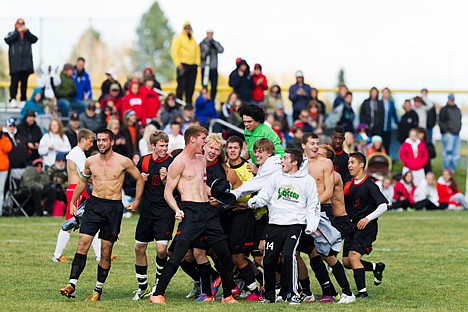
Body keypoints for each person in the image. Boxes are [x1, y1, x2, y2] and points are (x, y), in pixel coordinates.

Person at [150, 126, 237, 304]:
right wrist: (177, 210)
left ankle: (227, 295)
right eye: (203, 139)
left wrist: (218, 193)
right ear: (192, 140)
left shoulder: (201, 160)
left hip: (207, 210)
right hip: (190, 211)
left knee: (224, 253)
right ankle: (157, 294)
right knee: (177, 255)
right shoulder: (178, 162)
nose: (205, 142)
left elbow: (200, 185)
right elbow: (168, 192)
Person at [59, 129, 144, 301]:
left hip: (113, 208)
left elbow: (140, 179)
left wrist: (136, 202)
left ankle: (98, 290)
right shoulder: (90, 161)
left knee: (106, 251)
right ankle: (72, 284)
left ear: (112, 142)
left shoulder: (123, 161)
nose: (101, 143)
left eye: (104, 140)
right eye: (98, 140)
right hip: (94, 205)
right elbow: (83, 181)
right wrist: (72, 202)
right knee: (83, 242)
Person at [248, 148, 319, 304]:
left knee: (289, 255)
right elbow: (264, 196)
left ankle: (294, 294)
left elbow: (313, 206)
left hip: (295, 225)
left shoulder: (308, 181)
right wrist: (254, 202)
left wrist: (311, 226)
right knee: (268, 260)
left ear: (294, 162)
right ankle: (269, 295)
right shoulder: (275, 177)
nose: (281, 161)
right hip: (274, 225)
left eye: (285, 158)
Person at [133, 131, 175, 300]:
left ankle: (158, 281)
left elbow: (176, 189)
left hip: (165, 211)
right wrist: (140, 179)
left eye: (166, 145)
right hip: (147, 211)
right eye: (161, 146)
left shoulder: (172, 163)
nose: (165, 148)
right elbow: (136, 181)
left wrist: (166, 180)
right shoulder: (144, 160)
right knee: (138, 248)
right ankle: (142, 286)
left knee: (161, 249)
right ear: (153, 146)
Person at [300, 132, 341, 303]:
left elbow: (328, 192)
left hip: (320, 211)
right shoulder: (299, 163)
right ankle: (309, 291)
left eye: (317, 143)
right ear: (304, 145)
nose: (316, 147)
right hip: (301, 214)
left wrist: (312, 207)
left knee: (323, 254)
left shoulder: (326, 163)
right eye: (312, 143)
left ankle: (341, 291)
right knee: (302, 252)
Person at [342, 152, 388, 299]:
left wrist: (367, 218)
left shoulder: (370, 185)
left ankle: (362, 293)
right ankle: (376, 267)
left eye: (353, 162)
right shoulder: (348, 184)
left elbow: (383, 206)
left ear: (361, 165)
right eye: (349, 163)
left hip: (366, 227)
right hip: (352, 226)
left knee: (354, 257)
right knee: (347, 262)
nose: (349, 165)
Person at [52, 129, 100, 263]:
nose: (92, 145)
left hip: (77, 189)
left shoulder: (76, 153)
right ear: (83, 140)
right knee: (71, 223)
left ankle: (100, 255)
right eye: (90, 142)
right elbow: (86, 173)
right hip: (76, 191)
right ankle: (56, 255)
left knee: (90, 221)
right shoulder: (77, 153)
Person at [317, 144, 357, 304]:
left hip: (339, 221)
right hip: (328, 218)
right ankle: (329, 291)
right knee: (320, 254)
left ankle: (346, 291)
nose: (316, 156)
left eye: (320, 154)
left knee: (329, 256)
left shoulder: (334, 176)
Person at [4, 18, 38, 107]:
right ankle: (13, 99)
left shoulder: (27, 35)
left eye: (22, 23)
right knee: (14, 82)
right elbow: (7, 40)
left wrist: (26, 32)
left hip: (26, 64)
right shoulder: (12, 34)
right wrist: (17, 32)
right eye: (19, 23)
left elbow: (35, 39)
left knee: (24, 83)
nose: (21, 25)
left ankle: (23, 99)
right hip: (15, 64)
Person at [171, 21, 200, 105]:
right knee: (181, 86)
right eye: (186, 28)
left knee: (190, 87)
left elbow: (197, 51)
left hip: (192, 65)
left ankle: (189, 105)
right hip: (183, 65)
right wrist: (178, 64)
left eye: (189, 28)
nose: (188, 30)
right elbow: (174, 51)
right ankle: (179, 104)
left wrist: (197, 63)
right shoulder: (179, 38)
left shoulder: (193, 40)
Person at [439, 94, 462, 173]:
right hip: (448, 135)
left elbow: (459, 120)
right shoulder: (444, 109)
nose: (451, 101)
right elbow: (441, 121)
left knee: (456, 154)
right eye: (450, 99)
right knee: (448, 153)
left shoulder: (457, 109)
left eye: (452, 99)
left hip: (456, 134)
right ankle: (446, 170)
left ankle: (451, 171)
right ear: (448, 99)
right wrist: (446, 131)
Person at [199, 29, 224, 100]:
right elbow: (201, 55)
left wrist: (214, 44)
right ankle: (204, 99)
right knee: (204, 85)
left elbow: (221, 50)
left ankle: (212, 100)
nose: (210, 35)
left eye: (211, 34)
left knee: (214, 86)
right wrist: (207, 49)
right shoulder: (202, 44)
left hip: (213, 67)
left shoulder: (215, 43)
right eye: (209, 33)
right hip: (205, 67)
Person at [381, 88, 399, 153]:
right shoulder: (379, 103)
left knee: (387, 146)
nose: (385, 94)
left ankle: (387, 161)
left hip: (388, 129)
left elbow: (394, 115)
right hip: (380, 129)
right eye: (384, 92)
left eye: (387, 92)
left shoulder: (391, 104)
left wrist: (399, 124)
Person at [0, 127, 13, 215]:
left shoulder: (5, 139)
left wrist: (1, 138)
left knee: (0, 190)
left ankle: (0, 211)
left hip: (3, 168)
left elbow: (8, 148)